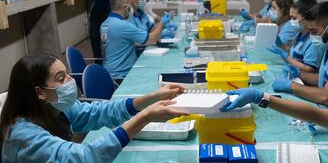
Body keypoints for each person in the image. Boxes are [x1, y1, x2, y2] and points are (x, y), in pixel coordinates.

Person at [0, 53, 189, 162]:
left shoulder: (56, 108)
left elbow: (100, 112)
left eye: (67, 74)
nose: (71, 81)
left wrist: (150, 98)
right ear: (40, 92)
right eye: (61, 78)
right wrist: (144, 117)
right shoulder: (23, 136)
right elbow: (84, 158)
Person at [272, 2, 328, 109]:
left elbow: (327, 96)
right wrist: (299, 74)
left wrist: (290, 85)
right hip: (323, 110)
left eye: (314, 31)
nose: (311, 36)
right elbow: (324, 80)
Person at [100, 0, 171, 77]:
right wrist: (162, 23)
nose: (132, 7)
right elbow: (151, 40)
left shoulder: (104, 24)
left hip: (110, 71)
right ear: (126, 7)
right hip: (122, 74)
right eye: (130, 4)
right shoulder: (123, 25)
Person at [268, 0, 324, 73]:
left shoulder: (314, 41)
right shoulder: (300, 34)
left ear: (305, 19)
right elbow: (292, 52)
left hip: (304, 79)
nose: (291, 21)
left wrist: (285, 55)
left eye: (294, 18)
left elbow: (309, 69)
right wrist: (280, 44)